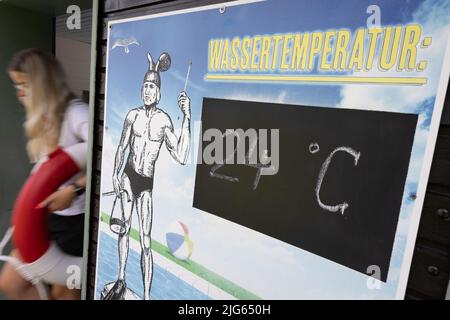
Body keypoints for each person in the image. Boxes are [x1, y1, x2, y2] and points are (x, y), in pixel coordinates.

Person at [0, 48, 89, 300]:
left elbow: (109, 159)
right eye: (16, 85)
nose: (19, 93)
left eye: (24, 85)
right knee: (10, 284)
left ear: (42, 83)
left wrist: (74, 190)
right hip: (47, 218)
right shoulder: (44, 119)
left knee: (64, 293)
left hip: (76, 220)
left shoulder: (77, 113)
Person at [104, 52, 190, 300]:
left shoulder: (164, 121)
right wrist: (114, 175)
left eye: (152, 86)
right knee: (123, 230)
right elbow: (121, 148)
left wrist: (186, 117)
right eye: (145, 86)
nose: (148, 90)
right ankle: (120, 279)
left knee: (145, 242)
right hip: (129, 177)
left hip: (146, 185)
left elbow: (182, 155)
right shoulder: (133, 116)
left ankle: (147, 296)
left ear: (159, 92)